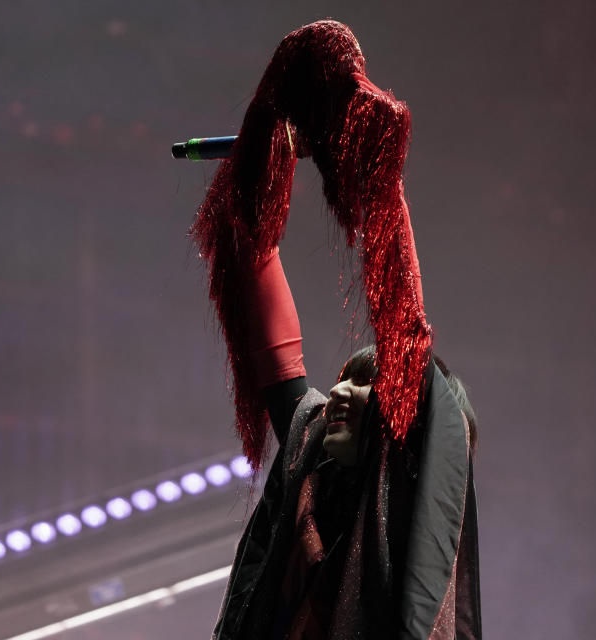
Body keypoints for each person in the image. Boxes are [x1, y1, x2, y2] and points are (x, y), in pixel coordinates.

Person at [189, 21, 482, 639]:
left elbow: (403, 325)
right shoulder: (309, 461)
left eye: (363, 386)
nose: (340, 395)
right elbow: (274, 345)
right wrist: (265, 158)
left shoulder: (399, 495)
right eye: (344, 378)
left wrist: (379, 179)